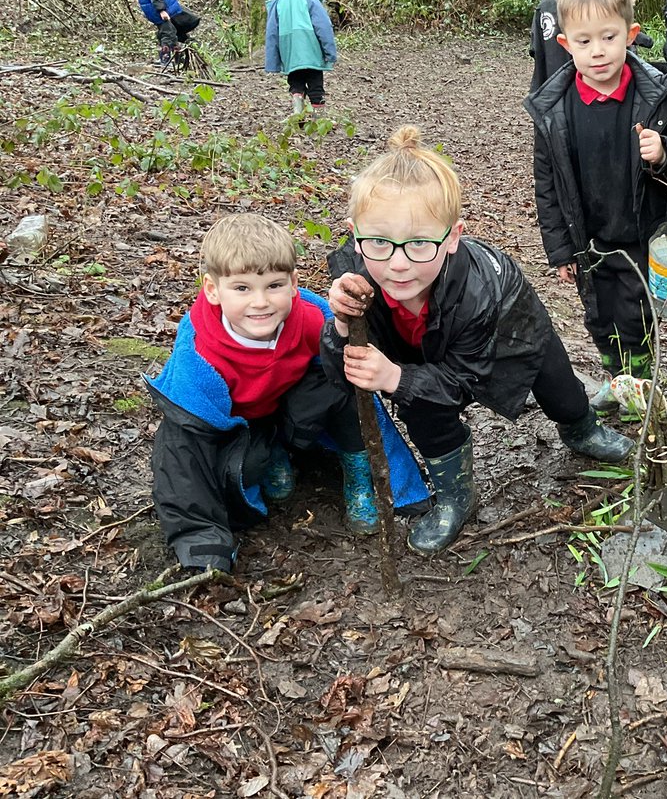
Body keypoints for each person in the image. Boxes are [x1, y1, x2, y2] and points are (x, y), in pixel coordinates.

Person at [321, 126, 634, 556]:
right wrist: (340, 326)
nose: (397, 263)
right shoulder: (355, 277)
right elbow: (337, 374)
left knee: (557, 387)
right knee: (420, 405)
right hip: (420, 353)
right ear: (356, 235)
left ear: (452, 236)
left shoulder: (482, 293)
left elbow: (466, 381)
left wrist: (396, 375)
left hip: (509, 333)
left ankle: (581, 426)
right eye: (379, 242)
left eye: (418, 244)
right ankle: (457, 494)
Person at [146, 214, 428, 573]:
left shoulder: (308, 318)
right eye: (242, 288)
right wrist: (204, 542)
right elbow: (184, 450)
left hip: (289, 408)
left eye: (274, 285)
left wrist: (401, 487)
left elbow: (354, 381)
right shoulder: (200, 353)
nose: (261, 302)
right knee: (194, 447)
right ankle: (271, 458)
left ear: (294, 284)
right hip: (239, 431)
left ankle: (359, 475)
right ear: (213, 290)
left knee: (343, 374)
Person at [523, 0, 667, 410]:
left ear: (631, 35)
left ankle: (641, 391)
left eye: (609, 37)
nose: (598, 52)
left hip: (638, 235)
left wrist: (665, 151)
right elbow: (547, 183)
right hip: (587, 240)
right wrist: (559, 250)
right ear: (564, 44)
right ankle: (616, 380)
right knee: (599, 317)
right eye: (584, 41)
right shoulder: (555, 111)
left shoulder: (656, 96)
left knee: (637, 320)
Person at [265, 0, 338, 116]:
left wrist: (273, 61)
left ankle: (298, 115)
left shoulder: (278, 2)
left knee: (295, 83)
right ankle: (320, 120)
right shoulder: (310, 0)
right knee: (316, 85)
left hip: (290, 54)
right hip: (313, 53)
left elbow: (272, 33)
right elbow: (324, 27)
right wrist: (330, 52)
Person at [529, 0, 576, 93]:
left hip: (548, 75)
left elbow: (535, 47)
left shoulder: (541, 8)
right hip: (574, 74)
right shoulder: (576, 5)